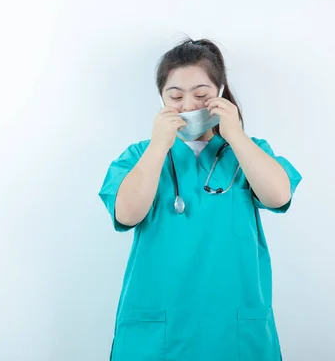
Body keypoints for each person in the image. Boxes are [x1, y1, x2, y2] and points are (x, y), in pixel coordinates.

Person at [98, 38, 302, 361]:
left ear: (221, 93)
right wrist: (157, 146)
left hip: (232, 333)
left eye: (202, 94)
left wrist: (235, 134)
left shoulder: (247, 153)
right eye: (176, 96)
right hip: (158, 336)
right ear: (161, 99)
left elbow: (279, 196)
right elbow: (126, 214)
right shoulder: (140, 156)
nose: (189, 105)